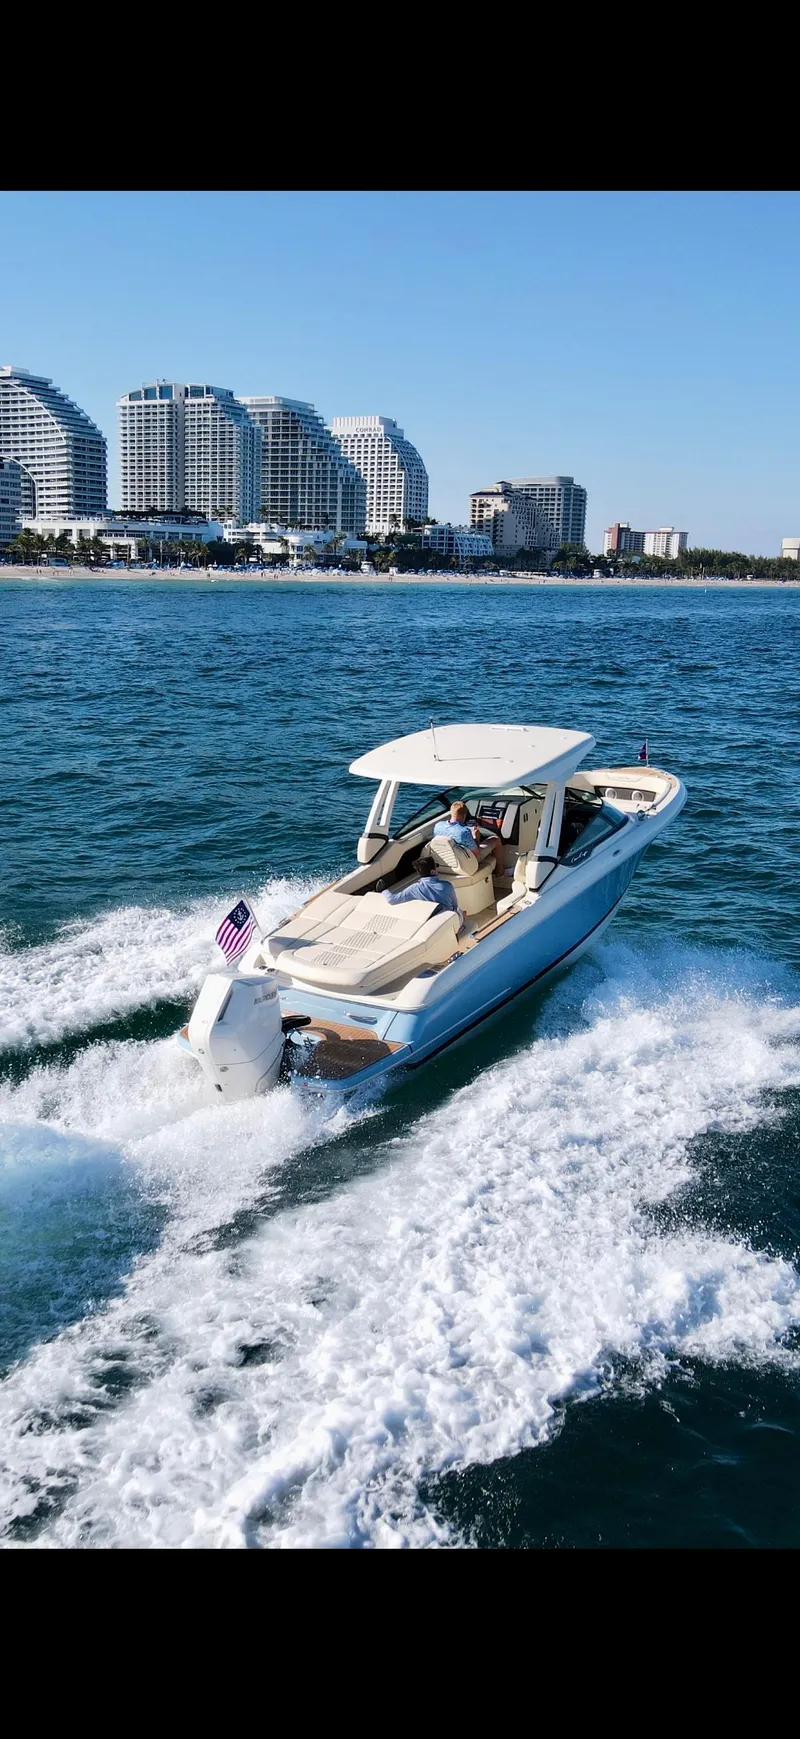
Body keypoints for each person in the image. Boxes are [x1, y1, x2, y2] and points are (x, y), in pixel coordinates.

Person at [433, 800, 504, 878]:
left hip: (446, 861)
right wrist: (476, 837)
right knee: (496, 839)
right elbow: (476, 853)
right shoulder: (464, 831)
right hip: (466, 862)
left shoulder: (438, 826)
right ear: (464, 815)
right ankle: (500, 872)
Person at [381, 875, 464, 929]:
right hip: (450, 923)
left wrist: (382, 890)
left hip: (431, 926)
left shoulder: (414, 889)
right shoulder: (446, 885)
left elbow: (391, 899)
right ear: (433, 871)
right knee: (460, 911)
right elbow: (455, 905)